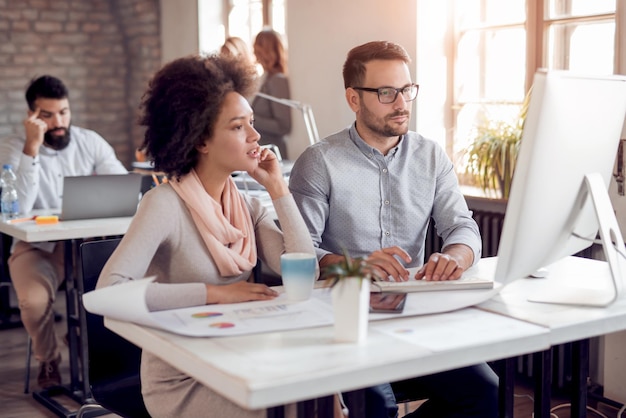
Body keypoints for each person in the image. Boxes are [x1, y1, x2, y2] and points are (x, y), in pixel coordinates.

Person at [96, 54, 316, 418]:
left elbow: (305, 275)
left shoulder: (248, 205)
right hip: (183, 379)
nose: (255, 136)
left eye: (252, 123)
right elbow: (109, 292)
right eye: (237, 126)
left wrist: (279, 189)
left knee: (324, 398)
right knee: (293, 409)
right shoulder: (164, 204)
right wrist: (217, 294)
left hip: (239, 357)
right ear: (201, 140)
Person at [289, 41, 499, 417]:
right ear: (354, 99)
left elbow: (463, 227)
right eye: (386, 93)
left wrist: (454, 256)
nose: (401, 103)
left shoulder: (431, 156)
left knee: (489, 395)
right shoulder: (319, 162)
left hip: (412, 315)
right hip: (343, 317)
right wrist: (355, 267)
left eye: (407, 90)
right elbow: (300, 254)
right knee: (375, 405)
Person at [0, 75, 128, 389]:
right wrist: (33, 147)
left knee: (118, 292)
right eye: (48, 115)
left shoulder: (90, 141)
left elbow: (122, 186)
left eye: (64, 112)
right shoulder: (13, 147)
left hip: (88, 245)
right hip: (36, 248)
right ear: (32, 116)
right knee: (32, 302)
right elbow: (18, 206)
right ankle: (48, 359)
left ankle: (85, 337)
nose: (59, 122)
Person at [251, 28, 292, 159]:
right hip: (261, 152)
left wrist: (249, 119)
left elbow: (283, 126)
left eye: (257, 48)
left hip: (273, 153)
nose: (254, 52)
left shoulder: (277, 80)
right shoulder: (264, 78)